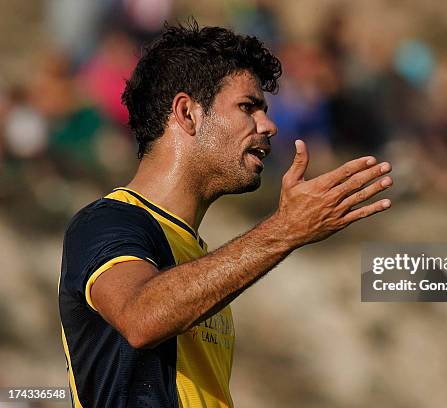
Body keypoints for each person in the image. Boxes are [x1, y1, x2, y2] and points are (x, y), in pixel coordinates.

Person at [58, 21, 393, 408]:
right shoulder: (108, 221)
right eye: (248, 107)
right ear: (187, 113)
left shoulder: (197, 256)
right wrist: (284, 231)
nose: (269, 125)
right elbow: (140, 316)